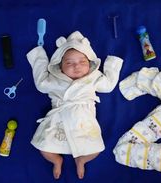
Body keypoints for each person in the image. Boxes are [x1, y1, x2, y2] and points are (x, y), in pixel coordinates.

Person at [26, 31, 123, 179]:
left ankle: (81, 160)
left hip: (84, 121)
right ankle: (56, 161)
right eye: (69, 63)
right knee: (44, 148)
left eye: (82, 62)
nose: (76, 66)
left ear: (90, 64)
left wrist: (112, 65)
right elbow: (41, 84)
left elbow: (109, 85)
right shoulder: (56, 79)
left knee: (95, 150)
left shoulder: (93, 78)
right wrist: (38, 57)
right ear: (60, 66)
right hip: (59, 120)